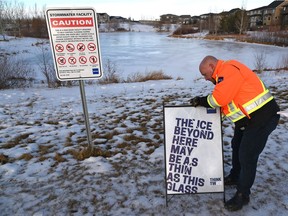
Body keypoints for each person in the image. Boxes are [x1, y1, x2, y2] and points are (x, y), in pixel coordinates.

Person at [190, 55, 280, 211]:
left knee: (247, 154)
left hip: (263, 116)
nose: (205, 78)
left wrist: (201, 100)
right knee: (236, 145)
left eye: (205, 74)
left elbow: (218, 100)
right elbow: (229, 103)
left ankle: (242, 195)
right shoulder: (222, 76)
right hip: (248, 119)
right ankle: (235, 175)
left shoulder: (228, 70)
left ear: (212, 66)